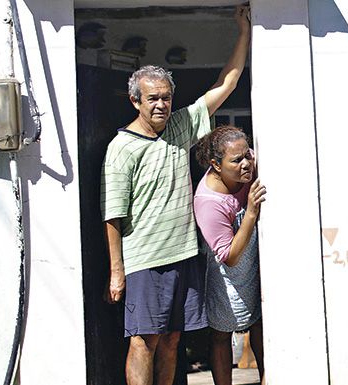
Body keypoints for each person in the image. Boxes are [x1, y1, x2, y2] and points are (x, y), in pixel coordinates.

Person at [100, 5, 251, 385]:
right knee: (143, 340)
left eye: (165, 97)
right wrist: (117, 271)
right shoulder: (122, 147)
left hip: (183, 254)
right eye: (152, 98)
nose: (161, 105)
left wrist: (244, 31)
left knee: (172, 340)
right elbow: (113, 214)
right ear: (135, 101)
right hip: (145, 260)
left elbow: (227, 84)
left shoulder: (179, 126)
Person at [193, 126, 265, 385]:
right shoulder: (208, 202)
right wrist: (251, 214)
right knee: (222, 333)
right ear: (216, 165)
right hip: (228, 275)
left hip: (257, 264)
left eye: (247, 155)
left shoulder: (249, 165)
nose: (246, 163)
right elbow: (229, 256)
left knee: (260, 324)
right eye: (237, 160)